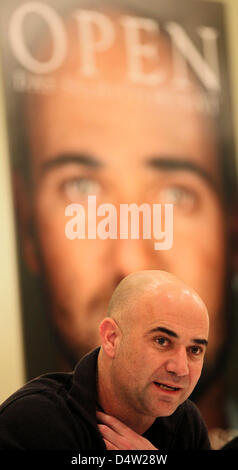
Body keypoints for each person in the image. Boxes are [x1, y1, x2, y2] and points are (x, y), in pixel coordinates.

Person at [5, 0, 237, 441]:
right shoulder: (30, 425)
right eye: (82, 187)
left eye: (176, 193)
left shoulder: (184, 423)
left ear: (232, 225)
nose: (131, 257)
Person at [0, 270, 210, 450]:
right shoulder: (33, 420)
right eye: (162, 341)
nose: (181, 368)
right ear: (111, 338)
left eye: (194, 349)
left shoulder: (187, 423)